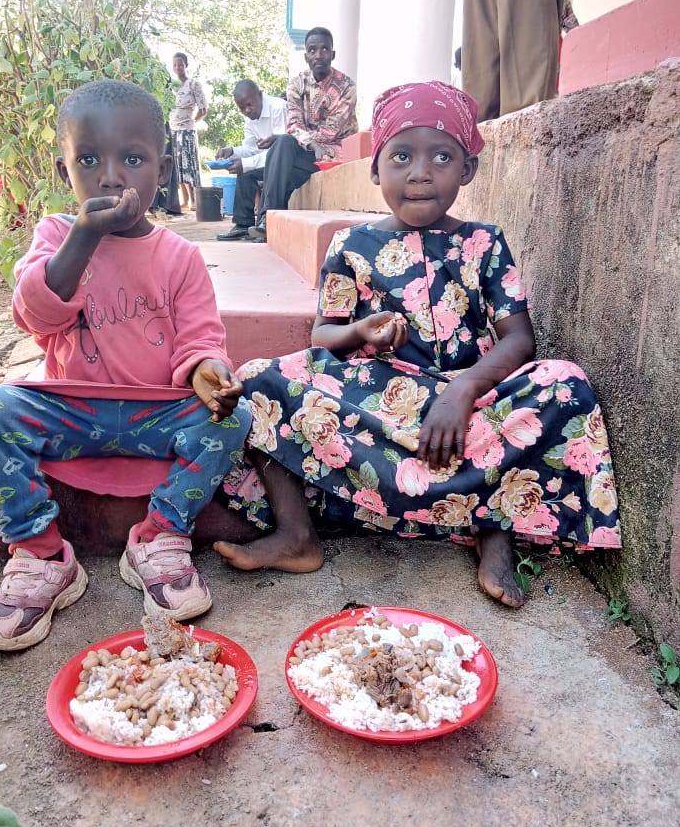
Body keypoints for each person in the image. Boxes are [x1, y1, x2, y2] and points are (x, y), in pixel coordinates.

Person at [214, 81, 620, 608]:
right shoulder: (350, 245)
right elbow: (324, 335)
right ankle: (297, 535)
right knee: (257, 381)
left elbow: (520, 339)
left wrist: (465, 390)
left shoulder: (485, 242)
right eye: (401, 156)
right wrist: (360, 333)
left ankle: (494, 530)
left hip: (471, 410)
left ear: (467, 170)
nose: (421, 172)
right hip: (383, 406)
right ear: (376, 169)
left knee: (564, 384)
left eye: (442, 157)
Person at [0, 79, 251, 651]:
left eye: (133, 159)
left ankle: (161, 537)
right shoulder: (54, 236)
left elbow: (199, 339)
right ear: (66, 168)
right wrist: (83, 237)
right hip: (72, 410)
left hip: (154, 416)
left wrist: (208, 373)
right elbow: (35, 315)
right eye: (89, 159)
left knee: (234, 420)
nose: (111, 176)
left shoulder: (180, 256)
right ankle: (42, 556)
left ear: (163, 170)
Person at [248, 27, 357, 243]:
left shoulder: (347, 86)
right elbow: (294, 123)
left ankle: (268, 221)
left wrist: (311, 143)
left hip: (336, 154)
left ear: (333, 54)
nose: (319, 55)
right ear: (306, 55)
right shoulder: (297, 83)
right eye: (313, 50)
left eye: (325, 49)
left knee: (281, 159)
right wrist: (310, 144)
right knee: (283, 147)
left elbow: (332, 130)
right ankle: (269, 220)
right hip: (309, 152)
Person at [215, 79, 288, 241]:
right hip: (268, 161)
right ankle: (242, 224)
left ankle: (265, 223)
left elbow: (282, 150)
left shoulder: (278, 108)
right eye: (242, 108)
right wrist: (232, 151)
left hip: (284, 164)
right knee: (244, 171)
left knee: (250, 167)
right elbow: (249, 149)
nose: (247, 110)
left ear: (260, 96)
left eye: (250, 104)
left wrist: (246, 164)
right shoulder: (249, 118)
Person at [169, 52, 207, 213]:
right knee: (177, 167)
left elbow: (203, 109)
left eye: (181, 64)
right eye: (175, 65)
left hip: (187, 131)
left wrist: (193, 121)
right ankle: (184, 200)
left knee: (189, 166)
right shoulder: (171, 86)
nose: (178, 67)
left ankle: (195, 200)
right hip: (173, 130)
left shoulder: (193, 84)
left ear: (186, 65)